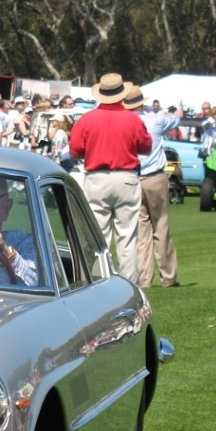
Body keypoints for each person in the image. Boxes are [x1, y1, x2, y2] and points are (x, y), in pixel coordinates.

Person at [68, 73, 152, 281]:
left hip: (97, 178)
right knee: (128, 237)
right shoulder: (133, 119)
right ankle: (130, 286)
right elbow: (146, 147)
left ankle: (99, 283)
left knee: (98, 236)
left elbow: (75, 150)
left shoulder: (88, 119)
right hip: (126, 178)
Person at [122, 86, 181, 288]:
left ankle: (144, 278)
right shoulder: (155, 119)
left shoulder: (125, 122)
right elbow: (175, 120)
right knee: (161, 226)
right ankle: (168, 275)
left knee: (141, 231)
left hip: (133, 178)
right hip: (155, 177)